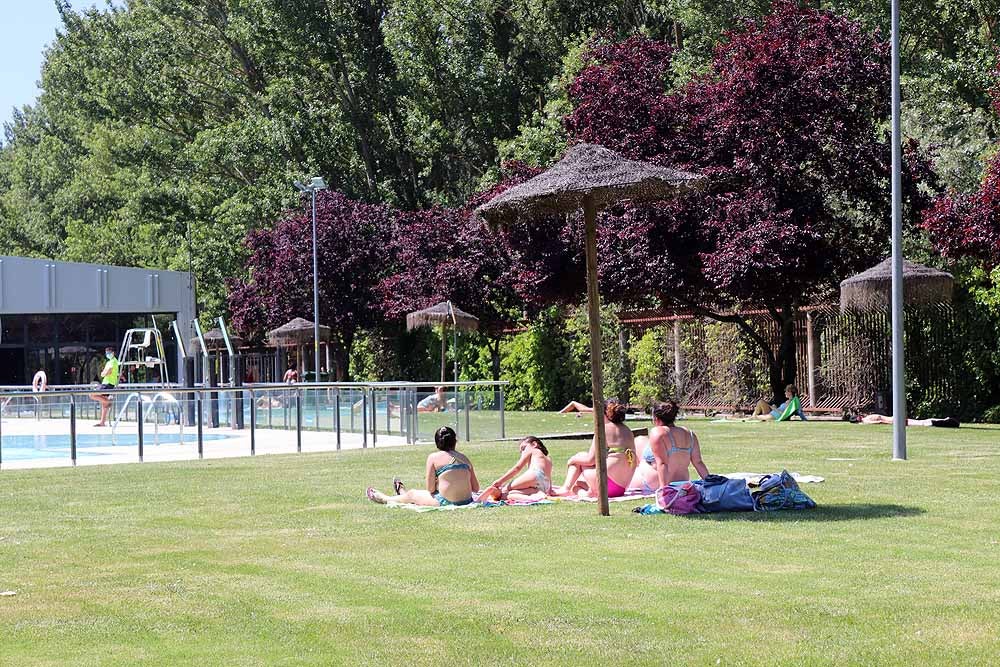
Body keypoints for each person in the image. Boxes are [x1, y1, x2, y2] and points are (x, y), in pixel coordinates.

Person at [367, 426, 480, 506]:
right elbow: (476, 488)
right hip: (467, 501)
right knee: (413, 495)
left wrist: (438, 483)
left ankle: (386, 498)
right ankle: (402, 493)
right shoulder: (465, 458)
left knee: (412, 494)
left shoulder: (433, 457)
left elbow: (430, 489)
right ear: (455, 441)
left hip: (446, 501)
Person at [551, 398, 637, 499]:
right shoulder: (628, 431)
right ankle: (588, 492)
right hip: (620, 489)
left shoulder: (603, 430)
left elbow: (590, 460)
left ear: (603, 413)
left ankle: (565, 488)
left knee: (580, 456)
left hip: (605, 485)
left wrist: (572, 460)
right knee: (578, 485)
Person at [646, 400, 710, 487]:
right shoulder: (690, 434)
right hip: (683, 483)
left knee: (640, 442)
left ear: (656, 418)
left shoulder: (658, 432)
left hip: (661, 483)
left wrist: (664, 490)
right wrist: (710, 482)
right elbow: (698, 462)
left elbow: (662, 464)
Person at [478, 436, 553, 502]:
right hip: (545, 485)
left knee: (504, 491)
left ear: (534, 444)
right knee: (512, 493)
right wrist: (549, 491)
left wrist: (500, 481)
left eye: (523, 448)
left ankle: (532, 498)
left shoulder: (532, 450)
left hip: (535, 474)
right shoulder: (548, 458)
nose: (523, 452)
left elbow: (517, 468)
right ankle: (536, 496)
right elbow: (549, 477)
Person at [88, 347, 120, 427]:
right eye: (106, 353)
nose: (107, 354)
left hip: (108, 384)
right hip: (107, 383)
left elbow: (107, 372)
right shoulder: (109, 362)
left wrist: (104, 372)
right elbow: (103, 373)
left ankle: (107, 401)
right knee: (103, 404)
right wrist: (104, 372)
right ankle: (102, 422)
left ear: (113, 352)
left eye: (109, 352)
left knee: (92, 394)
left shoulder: (113, 361)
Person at [856, 414, 960, 428]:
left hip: (895, 419)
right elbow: (879, 422)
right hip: (895, 420)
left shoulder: (867, 418)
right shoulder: (867, 420)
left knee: (920, 422)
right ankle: (942, 421)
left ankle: (941, 421)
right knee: (920, 422)